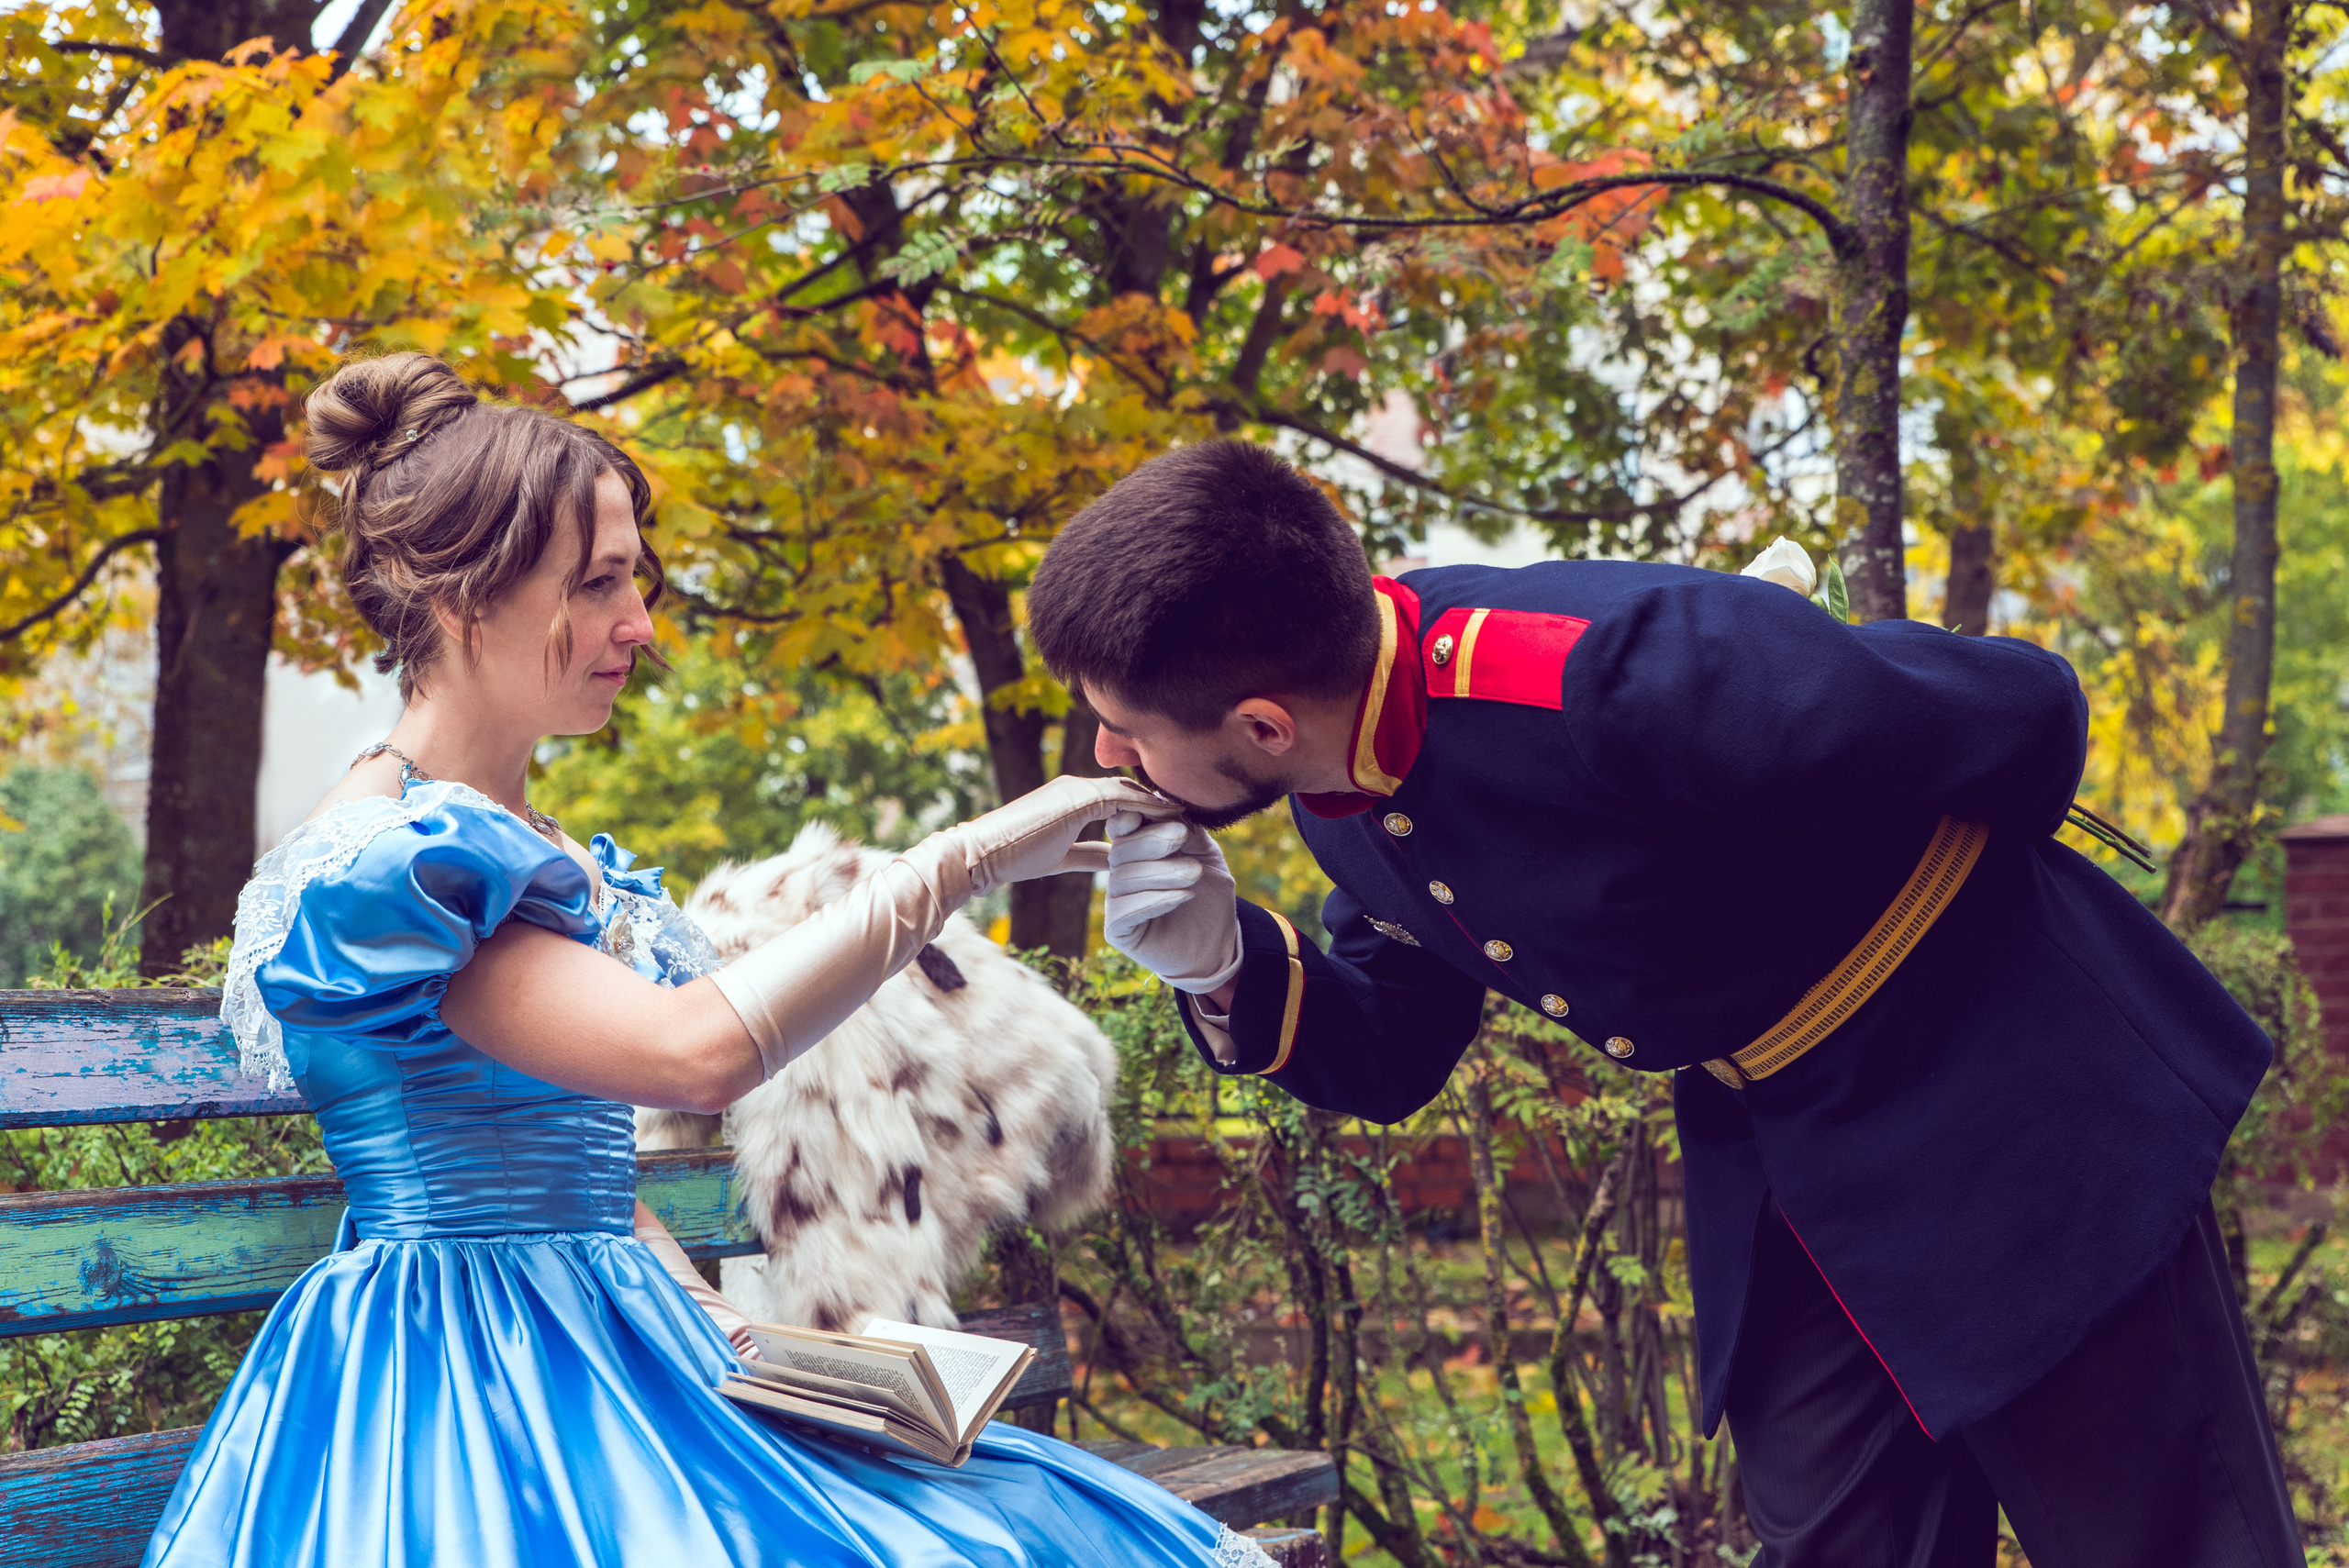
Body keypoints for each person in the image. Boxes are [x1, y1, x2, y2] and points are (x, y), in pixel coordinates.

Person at [1027, 439, 2304, 1568]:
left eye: (1124, 728)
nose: (1109, 757)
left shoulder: (1609, 671)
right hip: (1795, 1165)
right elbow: (1401, 1039)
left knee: (2165, 1537)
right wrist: (1223, 965)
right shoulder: (1343, 791)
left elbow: (2022, 716)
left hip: (2014, 1103)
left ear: (1257, 720)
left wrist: (1787, 677)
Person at [149, 352, 1275, 1568]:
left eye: (640, 580)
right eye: (597, 584)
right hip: (468, 1378)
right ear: (457, 596)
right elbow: (695, 1059)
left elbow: (559, 1164)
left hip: (605, 1333)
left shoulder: (519, 841)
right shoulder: (398, 857)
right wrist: (970, 857)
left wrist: (727, 1324)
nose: (638, 624)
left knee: (997, 1508)